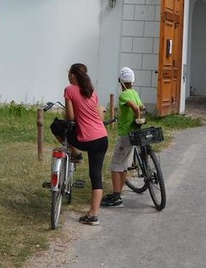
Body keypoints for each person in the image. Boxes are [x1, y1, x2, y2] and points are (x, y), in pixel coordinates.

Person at [62, 62, 109, 225]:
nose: (68, 76)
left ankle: (76, 155)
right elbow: (98, 115)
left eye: (69, 74)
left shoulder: (69, 90)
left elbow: (70, 118)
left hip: (86, 140)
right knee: (96, 176)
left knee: (57, 128)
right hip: (102, 138)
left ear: (73, 76)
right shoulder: (92, 92)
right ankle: (93, 215)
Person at [101, 66, 145, 208]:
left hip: (125, 134)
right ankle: (118, 192)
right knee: (124, 165)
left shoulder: (124, 95)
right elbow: (141, 106)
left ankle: (116, 197)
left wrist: (137, 117)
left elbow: (136, 108)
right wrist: (138, 118)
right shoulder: (135, 93)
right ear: (133, 81)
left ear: (120, 81)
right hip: (133, 134)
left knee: (115, 165)